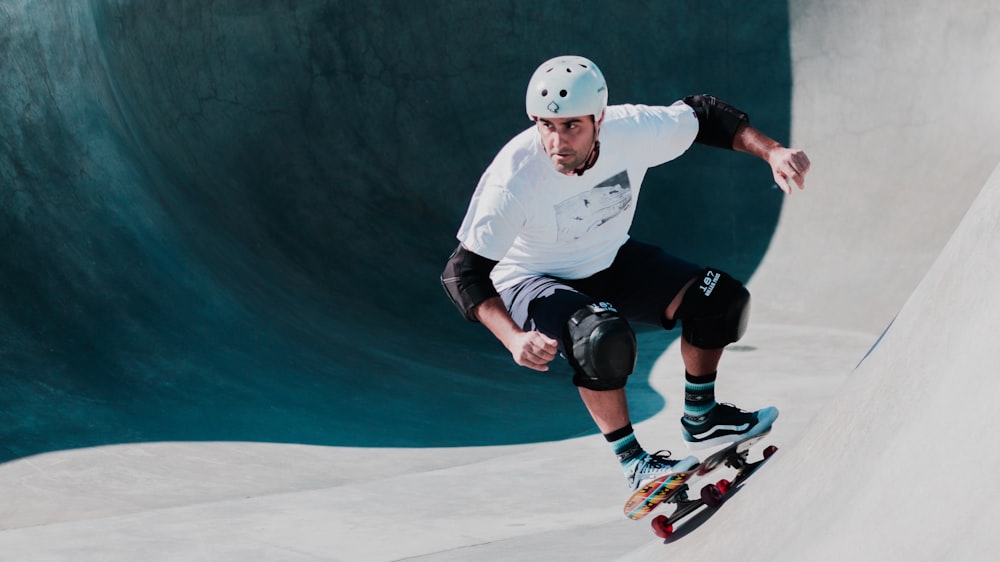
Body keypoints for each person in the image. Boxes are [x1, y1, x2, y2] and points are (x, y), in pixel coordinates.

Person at [441, 55, 810, 490]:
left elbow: (706, 116)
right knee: (601, 338)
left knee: (721, 300)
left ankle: (703, 418)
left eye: (572, 127)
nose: (557, 142)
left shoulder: (632, 129)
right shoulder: (513, 180)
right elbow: (462, 273)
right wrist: (513, 337)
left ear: (599, 119)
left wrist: (773, 152)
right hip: (531, 279)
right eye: (546, 126)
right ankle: (634, 463)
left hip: (609, 258)